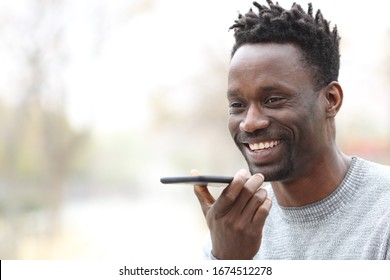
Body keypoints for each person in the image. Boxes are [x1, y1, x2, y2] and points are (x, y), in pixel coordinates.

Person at [193, 0, 390, 260]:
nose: (249, 123)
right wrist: (228, 263)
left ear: (330, 100)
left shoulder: (382, 215)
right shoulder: (234, 229)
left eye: (273, 100)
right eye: (237, 105)